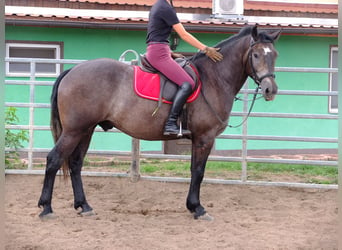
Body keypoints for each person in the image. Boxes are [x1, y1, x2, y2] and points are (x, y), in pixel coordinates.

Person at [146, 0, 223, 136]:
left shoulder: (158, 5)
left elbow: (157, 34)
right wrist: (205, 49)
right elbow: (184, 34)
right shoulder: (165, 8)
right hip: (159, 53)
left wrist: (169, 52)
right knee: (187, 84)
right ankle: (170, 123)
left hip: (160, 50)